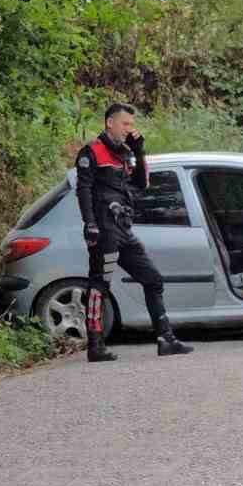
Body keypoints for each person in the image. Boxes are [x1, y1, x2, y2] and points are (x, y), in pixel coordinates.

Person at [75, 103, 194, 362]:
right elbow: (82, 190)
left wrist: (140, 153)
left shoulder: (126, 153)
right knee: (99, 285)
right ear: (110, 123)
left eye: (132, 124)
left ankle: (166, 339)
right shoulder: (91, 152)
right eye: (125, 124)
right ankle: (95, 346)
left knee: (153, 279)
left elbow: (142, 184)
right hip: (104, 229)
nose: (130, 129)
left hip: (123, 228)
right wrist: (90, 223)